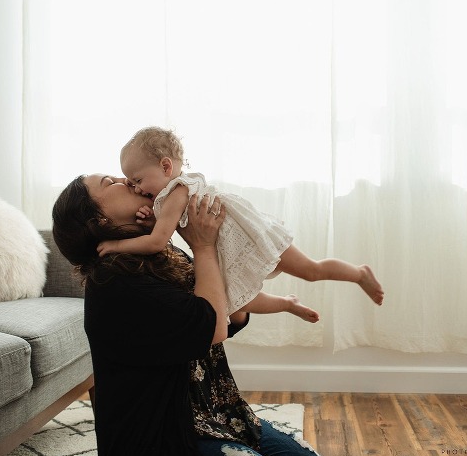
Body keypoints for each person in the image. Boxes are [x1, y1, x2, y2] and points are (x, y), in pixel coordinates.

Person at [52, 173, 328, 456]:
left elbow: (229, 313)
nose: (127, 179)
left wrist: (216, 244)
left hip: (217, 414)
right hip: (164, 440)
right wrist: (204, 247)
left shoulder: (161, 254)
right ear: (99, 218)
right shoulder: (113, 280)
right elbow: (212, 327)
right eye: (110, 181)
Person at [97, 126, 384, 324]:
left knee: (311, 270)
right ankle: (287, 304)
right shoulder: (170, 194)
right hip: (229, 250)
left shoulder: (176, 192)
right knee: (237, 305)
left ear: (165, 167)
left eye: (137, 180)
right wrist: (152, 220)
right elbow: (167, 228)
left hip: (250, 239)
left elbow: (158, 241)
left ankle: (359, 273)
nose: (134, 188)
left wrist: (116, 244)